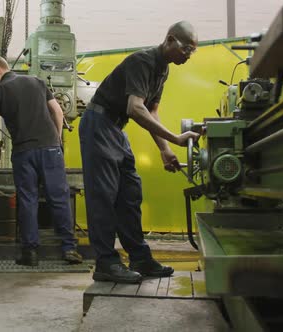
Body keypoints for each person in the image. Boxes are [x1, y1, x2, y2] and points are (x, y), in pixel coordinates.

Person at [79, 21, 200, 284]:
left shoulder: (163, 70)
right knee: (104, 197)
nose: (188, 56)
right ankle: (106, 263)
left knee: (130, 193)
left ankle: (140, 258)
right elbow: (135, 108)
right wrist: (177, 139)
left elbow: (151, 110)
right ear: (170, 40)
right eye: (186, 49)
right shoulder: (142, 61)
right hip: (99, 124)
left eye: (193, 51)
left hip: (115, 128)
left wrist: (165, 149)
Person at [0, 55, 83, 267]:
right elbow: (57, 111)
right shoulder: (36, 81)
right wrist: (56, 140)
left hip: (23, 152)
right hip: (50, 148)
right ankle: (69, 249)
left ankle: (30, 253)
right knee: (59, 197)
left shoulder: (0, 91)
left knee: (28, 200)